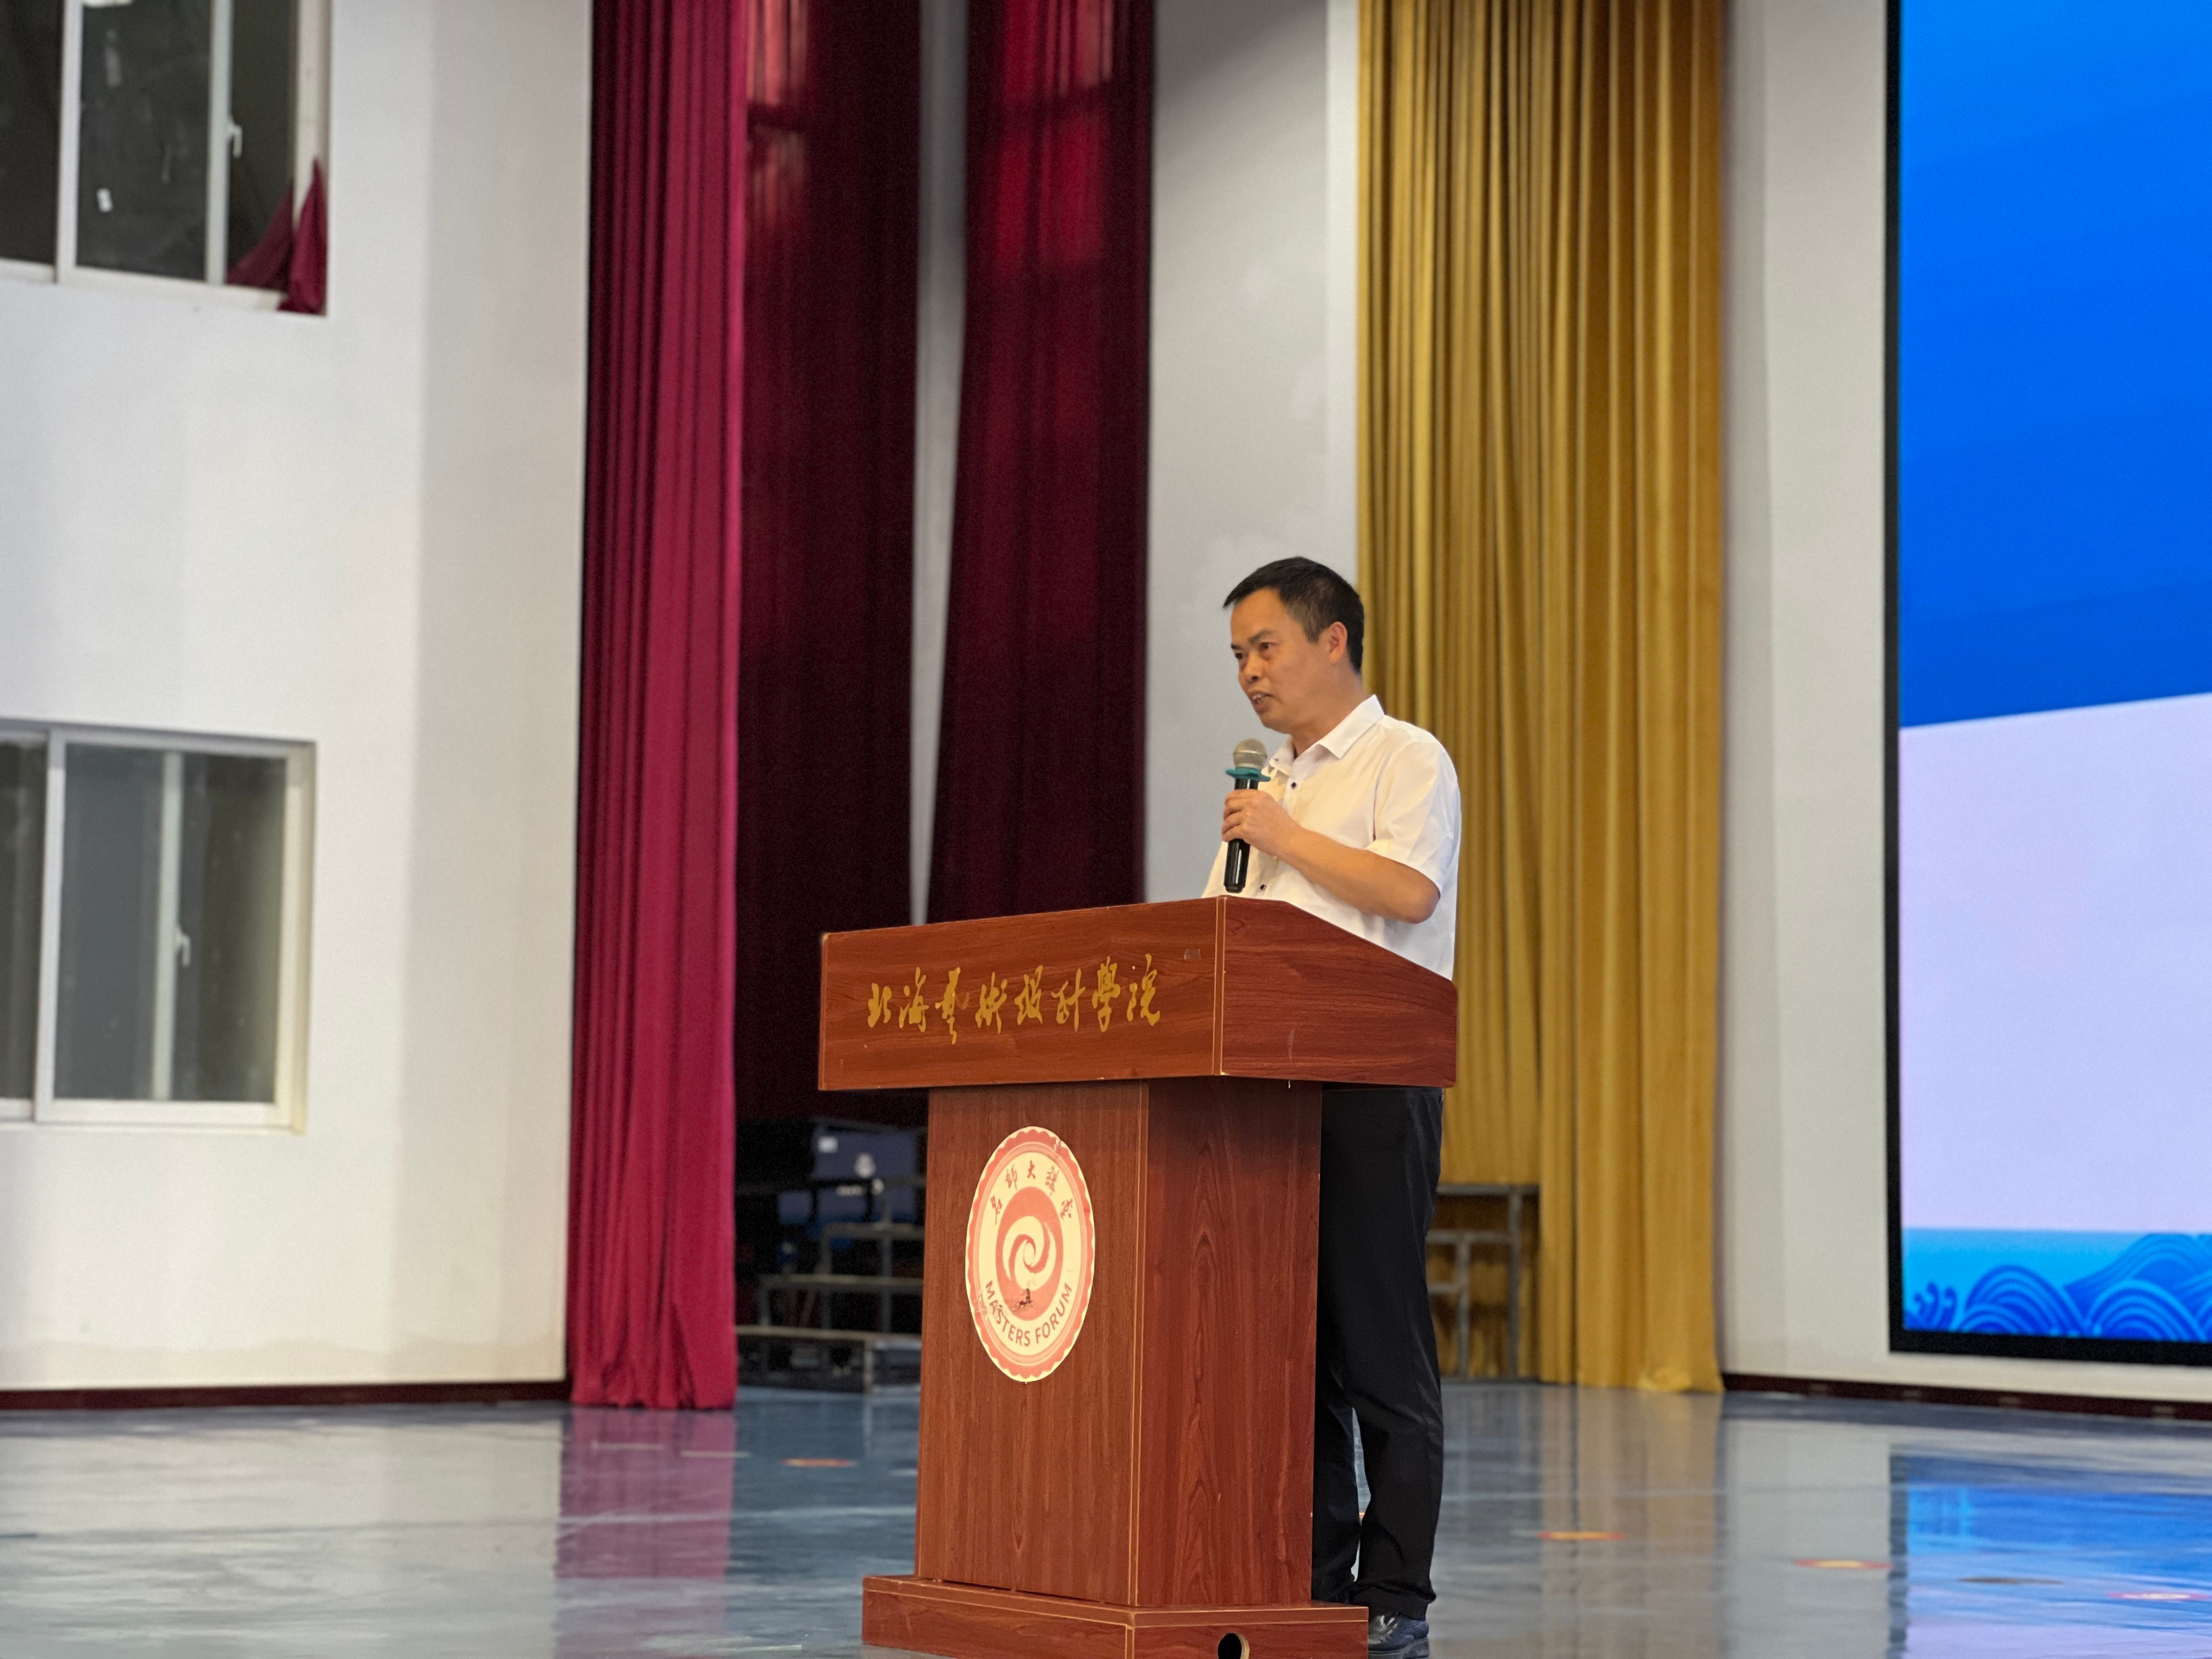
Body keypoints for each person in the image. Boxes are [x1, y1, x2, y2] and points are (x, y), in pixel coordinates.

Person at [1200, 557, 1459, 1659]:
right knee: (1292, 1352)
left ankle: (1393, 1594)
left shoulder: (1406, 758)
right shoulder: (1269, 787)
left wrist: (1285, 834)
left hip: (1372, 1081)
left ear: (1333, 638)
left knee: (1380, 1351)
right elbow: (1222, 928)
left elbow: (1407, 892)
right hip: (1269, 1095)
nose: (1250, 674)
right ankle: (1309, 1582)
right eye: (1238, 658)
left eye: (1265, 647)